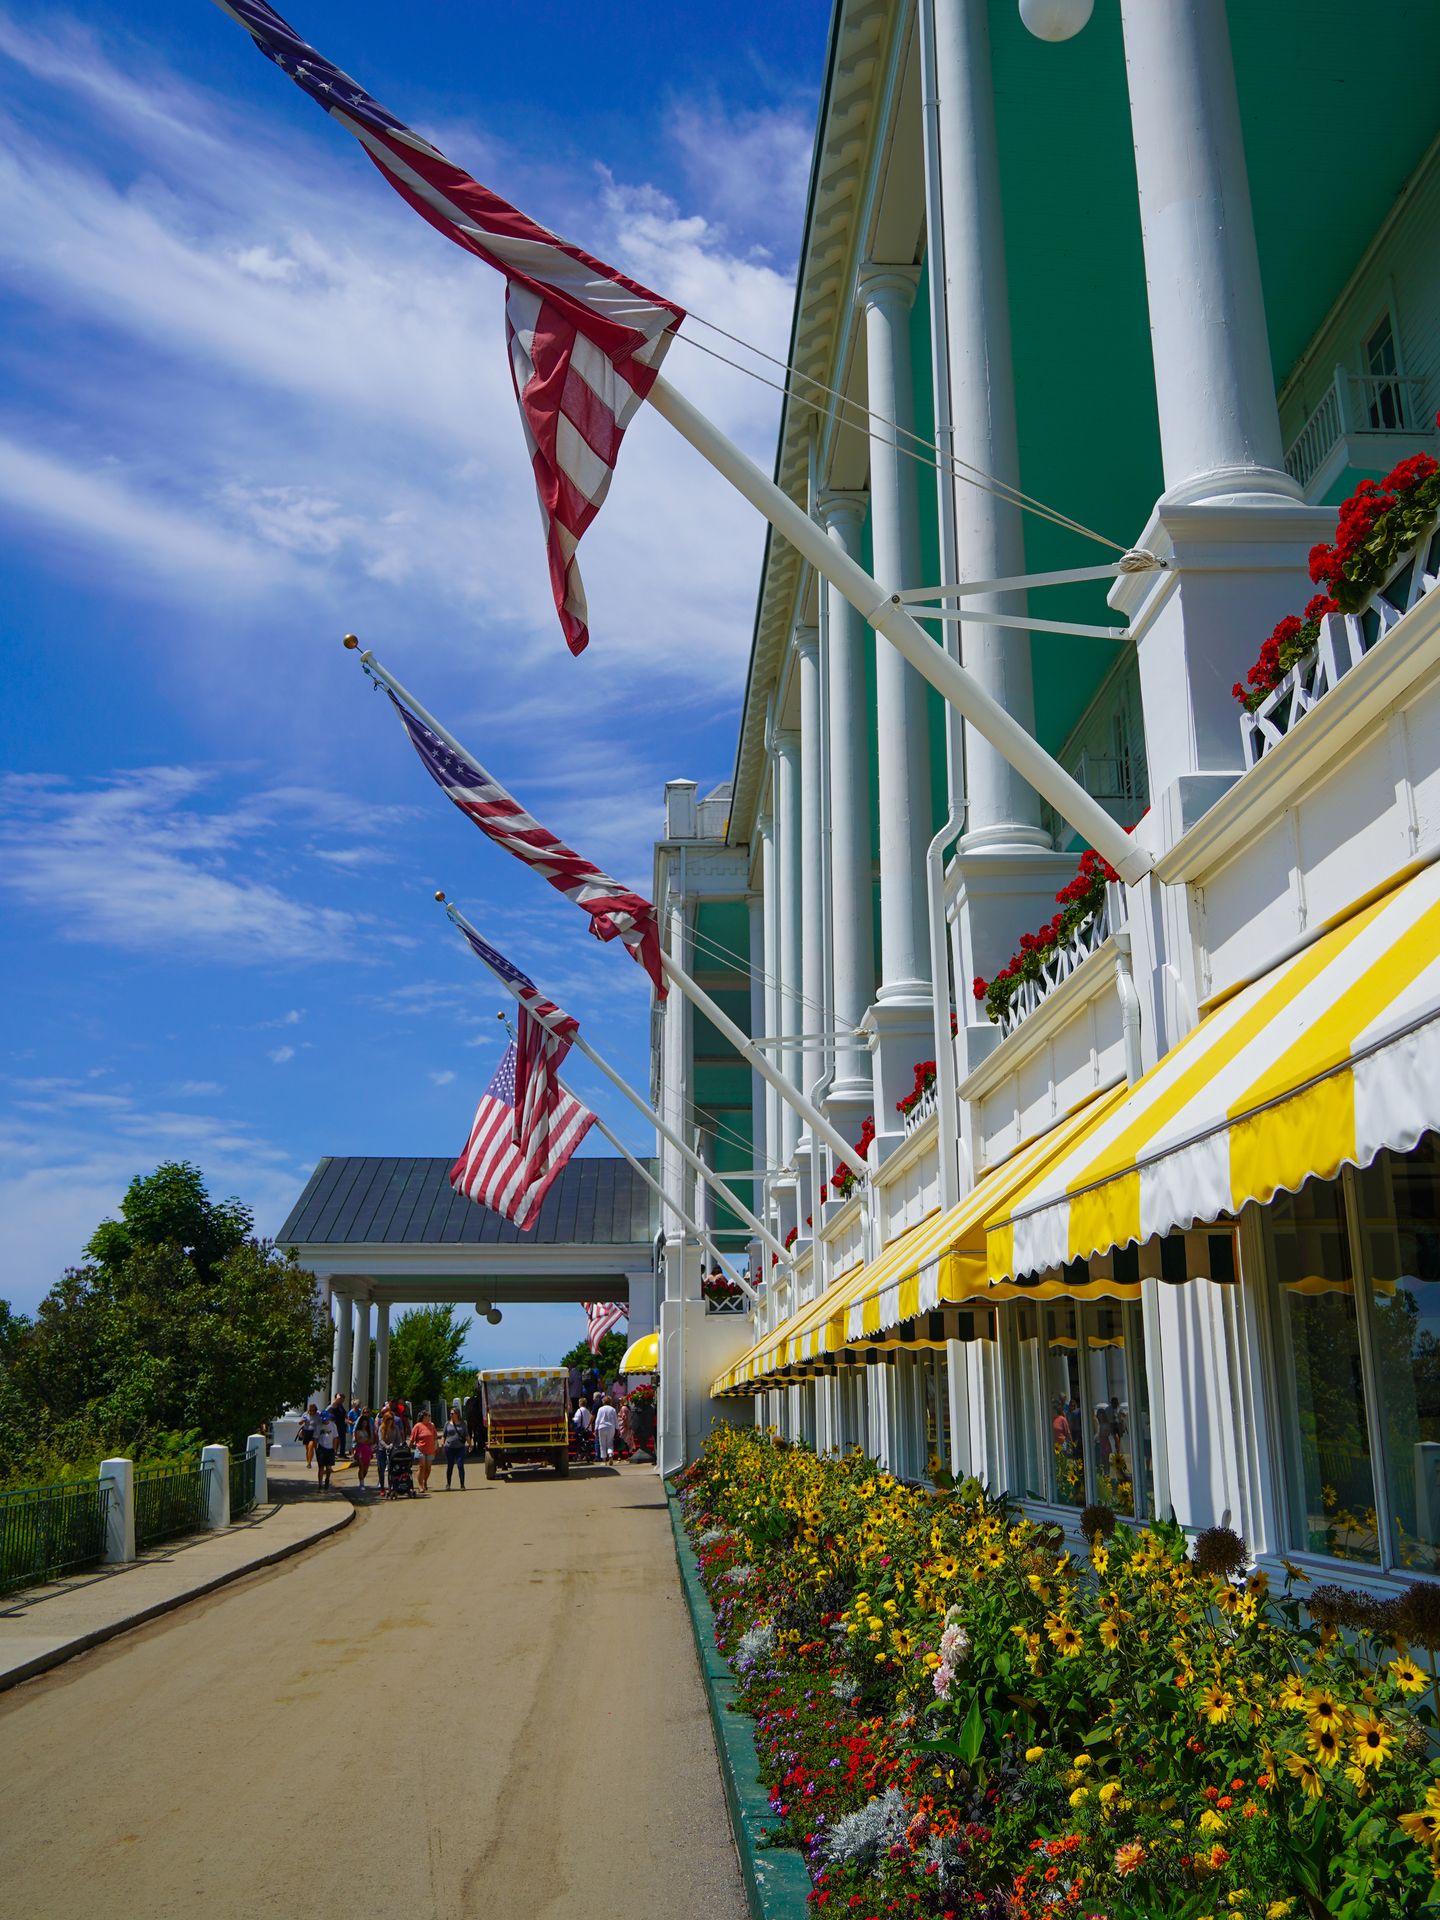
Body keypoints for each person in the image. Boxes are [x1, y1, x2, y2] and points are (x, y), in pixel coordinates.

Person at [410, 1408, 438, 1493]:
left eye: (430, 1415)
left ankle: (425, 1481)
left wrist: (437, 1446)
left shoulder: (432, 1425)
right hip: (420, 1449)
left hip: (430, 1449)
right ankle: (420, 1485)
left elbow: (435, 1437)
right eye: (428, 1415)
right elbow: (412, 1439)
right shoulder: (418, 1426)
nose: (429, 1417)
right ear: (423, 1416)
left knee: (428, 1468)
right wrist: (408, 1448)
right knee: (422, 1467)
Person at [314, 1402, 339, 1491]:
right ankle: (320, 1484)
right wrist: (316, 1448)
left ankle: (327, 1479)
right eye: (323, 1420)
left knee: (328, 1467)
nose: (324, 1421)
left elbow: (336, 1437)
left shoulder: (333, 1425)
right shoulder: (319, 1426)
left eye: (326, 1419)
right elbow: (315, 1438)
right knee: (321, 1467)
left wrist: (335, 1449)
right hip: (321, 1448)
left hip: (330, 1448)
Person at [442, 1404, 468, 1489]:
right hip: (449, 1448)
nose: (451, 1415)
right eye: (450, 1414)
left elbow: (466, 1435)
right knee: (450, 1466)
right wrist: (443, 1444)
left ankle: (462, 1484)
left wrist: (470, 1444)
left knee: (460, 1465)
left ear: (457, 1414)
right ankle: (448, 1484)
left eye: (452, 1413)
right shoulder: (447, 1424)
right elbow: (444, 1435)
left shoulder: (463, 1424)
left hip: (460, 1448)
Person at [353, 1407, 376, 1489]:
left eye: (365, 1423)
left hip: (367, 1450)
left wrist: (368, 1442)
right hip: (360, 1449)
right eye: (363, 1422)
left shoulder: (369, 1429)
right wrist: (364, 1441)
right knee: (361, 1466)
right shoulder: (358, 1430)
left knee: (366, 1468)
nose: (364, 1424)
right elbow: (358, 1439)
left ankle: (362, 1479)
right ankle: (361, 1483)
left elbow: (371, 1439)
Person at [593, 1394, 618, 1463]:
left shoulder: (600, 1409)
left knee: (602, 1444)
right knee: (610, 1443)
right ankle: (610, 1455)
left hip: (602, 1427)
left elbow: (597, 1420)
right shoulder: (613, 1409)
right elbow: (616, 1419)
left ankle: (604, 1460)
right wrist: (617, 1428)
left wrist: (596, 1429)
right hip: (611, 1427)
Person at [572, 1396, 593, 1462]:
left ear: (580, 1403)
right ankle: (586, 1455)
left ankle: (579, 1455)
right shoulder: (587, 1411)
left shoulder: (579, 1410)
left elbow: (577, 1420)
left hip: (581, 1429)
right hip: (587, 1429)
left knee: (579, 1443)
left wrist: (572, 1419)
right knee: (586, 1442)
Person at [329, 1391, 349, 1459]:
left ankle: (342, 1453)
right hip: (335, 1424)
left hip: (341, 1424)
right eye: (341, 1398)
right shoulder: (334, 1404)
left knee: (342, 1439)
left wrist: (347, 1418)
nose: (342, 1400)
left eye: (343, 1399)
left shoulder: (341, 1405)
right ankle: (334, 1453)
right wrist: (338, 1396)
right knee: (336, 1439)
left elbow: (344, 1413)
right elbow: (336, 1401)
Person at [298, 1402, 318, 1467]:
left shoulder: (318, 1415)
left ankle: (309, 1463)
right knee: (307, 1449)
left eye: (313, 1410)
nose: (311, 1412)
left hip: (314, 1433)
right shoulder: (305, 1414)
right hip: (306, 1432)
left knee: (311, 1446)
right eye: (310, 1410)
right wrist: (303, 1421)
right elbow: (299, 1423)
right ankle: (308, 1461)